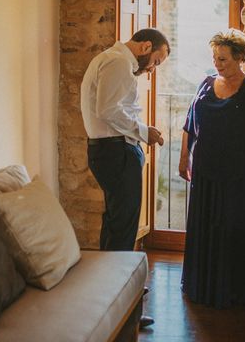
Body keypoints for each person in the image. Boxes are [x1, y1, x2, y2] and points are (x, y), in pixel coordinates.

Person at [178, 29, 245, 309]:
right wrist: (183, 156)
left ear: (240, 57)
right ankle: (204, 286)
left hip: (241, 177)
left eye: (223, 59)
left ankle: (238, 292)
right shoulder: (205, 83)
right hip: (207, 173)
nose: (217, 64)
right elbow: (190, 124)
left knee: (237, 231)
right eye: (215, 58)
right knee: (209, 229)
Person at [80, 28, 170, 328]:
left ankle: (107, 298)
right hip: (116, 152)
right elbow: (107, 110)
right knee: (123, 230)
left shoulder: (108, 59)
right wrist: (145, 132)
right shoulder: (118, 62)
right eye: (155, 60)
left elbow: (113, 109)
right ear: (145, 46)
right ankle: (119, 308)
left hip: (110, 150)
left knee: (115, 225)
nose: (152, 68)